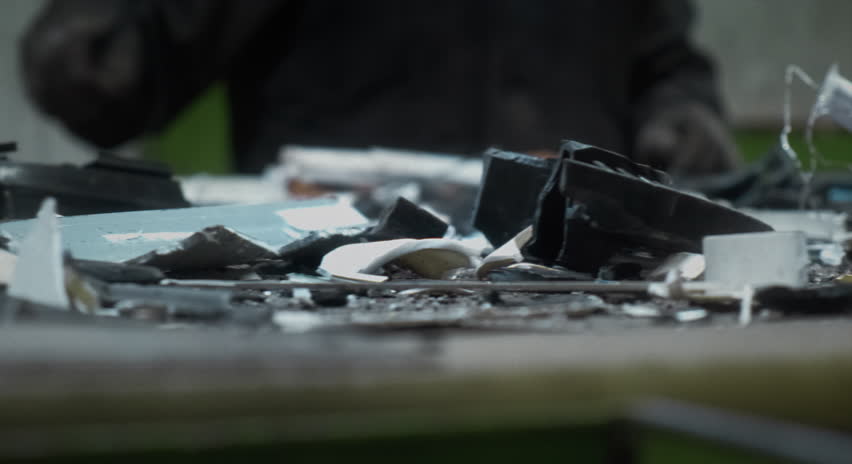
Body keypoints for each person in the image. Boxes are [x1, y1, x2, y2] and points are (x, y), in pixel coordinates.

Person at [21, 0, 740, 175]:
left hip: (589, 291)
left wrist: (686, 113)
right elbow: (101, 81)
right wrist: (92, 46)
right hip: (329, 307)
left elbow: (665, 63)